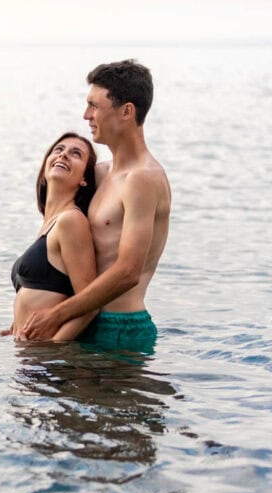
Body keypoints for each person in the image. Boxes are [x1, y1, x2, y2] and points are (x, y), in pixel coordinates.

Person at [21, 59, 171, 353]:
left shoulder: (143, 179)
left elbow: (128, 272)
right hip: (82, 324)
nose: (86, 115)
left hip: (119, 327)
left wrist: (55, 315)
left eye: (94, 105)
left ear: (126, 111)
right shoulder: (102, 174)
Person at [5, 131, 99, 341]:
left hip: (50, 362)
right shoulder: (49, 225)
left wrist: (54, 348)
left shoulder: (71, 221)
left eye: (76, 154)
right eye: (58, 150)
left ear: (84, 179)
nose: (63, 155)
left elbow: (91, 305)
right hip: (31, 357)